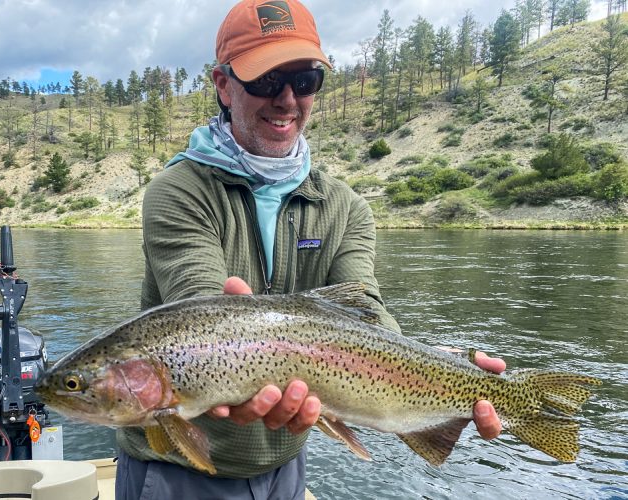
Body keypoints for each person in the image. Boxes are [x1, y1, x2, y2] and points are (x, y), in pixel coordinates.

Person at [115, 0, 505, 498]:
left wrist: (440, 364)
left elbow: (367, 315)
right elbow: (199, 307)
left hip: (285, 471)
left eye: (304, 80)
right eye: (264, 80)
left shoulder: (347, 208)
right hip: (174, 473)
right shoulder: (179, 190)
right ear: (222, 85)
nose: (285, 99)